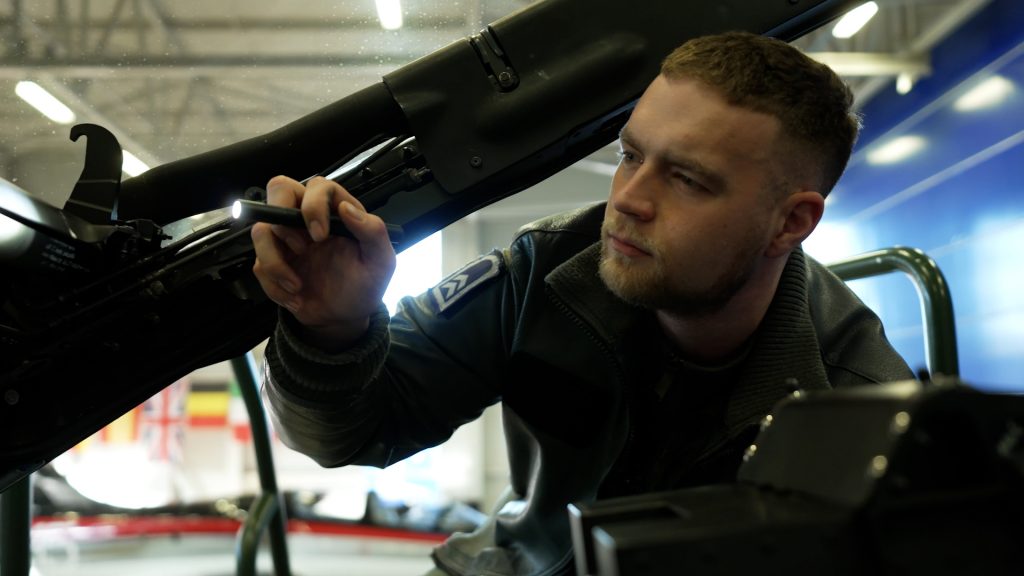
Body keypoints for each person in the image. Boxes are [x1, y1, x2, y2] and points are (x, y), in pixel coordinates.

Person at [250, 31, 913, 576]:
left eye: (686, 178)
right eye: (631, 156)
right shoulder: (545, 270)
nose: (628, 199)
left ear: (790, 223)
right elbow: (356, 433)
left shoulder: (855, 399)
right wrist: (332, 327)